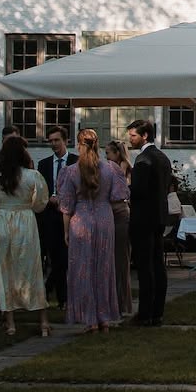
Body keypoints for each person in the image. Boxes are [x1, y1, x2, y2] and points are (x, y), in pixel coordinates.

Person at [58, 127, 127, 330]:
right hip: (105, 219)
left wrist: (65, 231)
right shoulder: (110, 168)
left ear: (79, 144)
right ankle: (104, 317)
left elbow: (66, 206)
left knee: (82, 269)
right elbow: (118, 195)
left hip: (81, 220)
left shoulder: (70, 171)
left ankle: (89, 319)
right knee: (104, 269)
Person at [0, 132, 50, 338]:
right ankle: (44, 322)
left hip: (2, 222)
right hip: (25, 221)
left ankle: (11, 323)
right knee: (31, 269)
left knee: (4, 270)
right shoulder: (32, 176)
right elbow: (41, 204)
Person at [127, 120, 175, 326]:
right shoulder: (163, 157)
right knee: (157, 264)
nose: (130, 139)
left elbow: (138, 191)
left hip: (143, 218)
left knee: (145, 267)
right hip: (159, 217)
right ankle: (158, 312)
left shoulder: (143, 159)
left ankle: (145, 313)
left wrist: (126, 188)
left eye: (133, 136)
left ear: (145, 135)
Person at [37, 126, 76, 307]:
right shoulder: (44, 164)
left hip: (72, 214)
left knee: (67, 258)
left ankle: (53, 288)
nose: (53, 144)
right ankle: (62, 298)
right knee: (55, 257)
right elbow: (39, 190)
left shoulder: (76, 161)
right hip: (51, 216)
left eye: (56, 140)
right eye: (50, 141)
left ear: (65, 141)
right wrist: (50, 199)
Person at [104, 135, 134, 320]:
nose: (105, 157)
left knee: (120, 260)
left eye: (108, 153)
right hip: (112, 213)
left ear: (116, 153)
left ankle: (120, 302)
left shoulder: (122, 169)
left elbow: (120, 191)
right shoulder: (113, 168)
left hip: (120, 214)